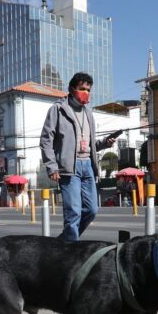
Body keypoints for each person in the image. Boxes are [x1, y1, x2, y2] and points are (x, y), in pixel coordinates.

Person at [40, 72, 117, 241]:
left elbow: (89, 144)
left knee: (92, 210)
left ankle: (65, 241)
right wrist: (52, 166)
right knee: (73, 211)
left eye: (89, 89)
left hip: (88, 166)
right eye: (82, 89)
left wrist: (105, 143)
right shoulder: (58, 110)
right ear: (72, 89)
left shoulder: (88, 113)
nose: (86, 92)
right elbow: (46, 140)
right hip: (69, 168)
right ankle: (71, 250)